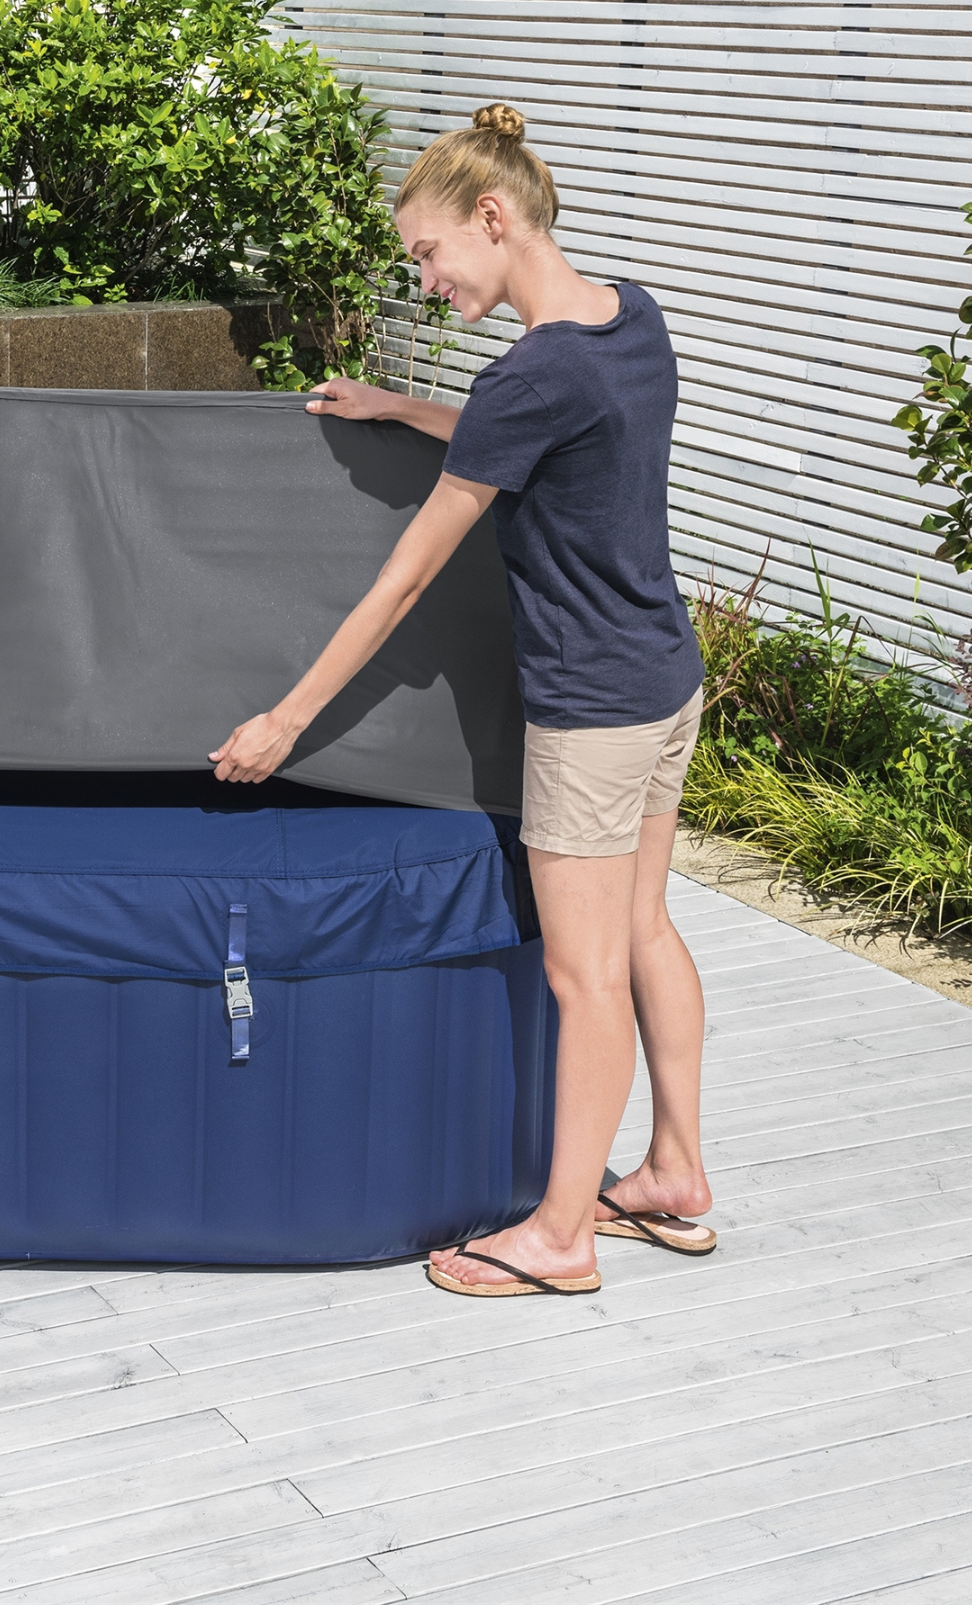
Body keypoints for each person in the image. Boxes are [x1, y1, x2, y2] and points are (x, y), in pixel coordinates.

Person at [210, 103, 714, 1298]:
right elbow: (553, 442)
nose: (426, 282)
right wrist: (406, 411)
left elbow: (407, 579)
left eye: (430, 255)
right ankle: (677, 1176)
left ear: (493, 217)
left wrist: (286, 719)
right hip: (665, 680)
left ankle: (559, 1237)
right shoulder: (630, 319)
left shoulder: (528, 376)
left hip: (590, 711)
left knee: (581, 972)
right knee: (644, 933)